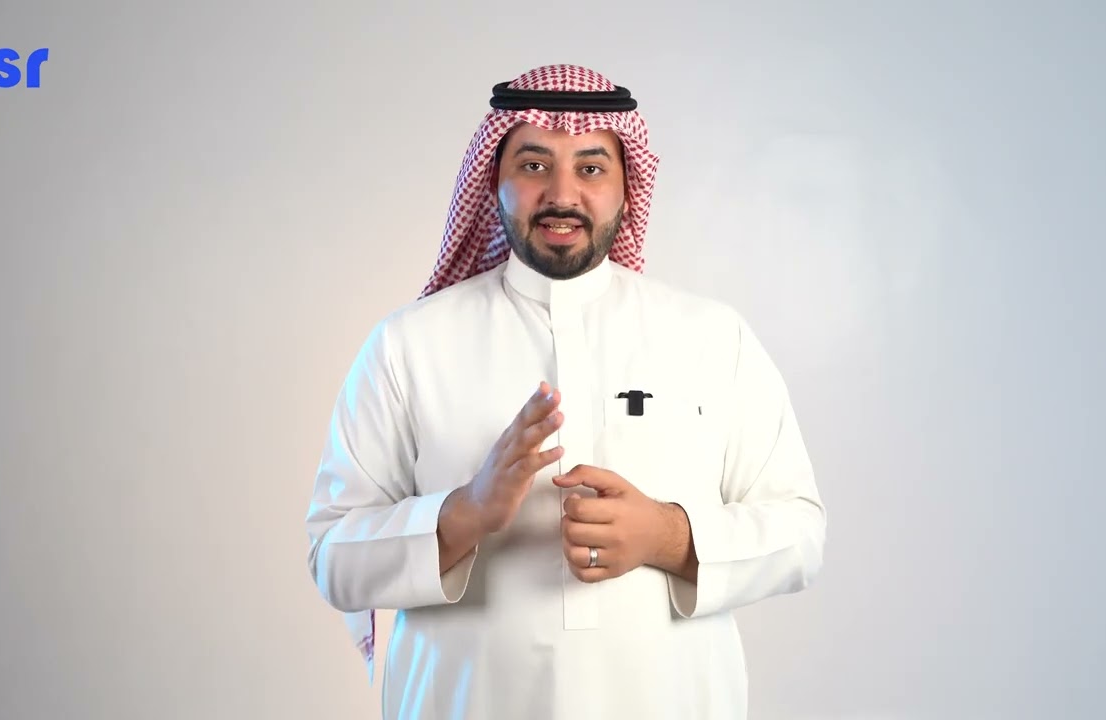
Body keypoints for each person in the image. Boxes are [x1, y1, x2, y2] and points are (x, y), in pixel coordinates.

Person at [304, 63, 827, 720]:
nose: (561, 193)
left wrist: (665, 536)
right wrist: (464, 513)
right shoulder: (408, 345)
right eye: (533, 165)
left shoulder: (712, 337)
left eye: (590, 168)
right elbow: (333, 557)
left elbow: (800, 534)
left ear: (627, 186)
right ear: (492, 182)